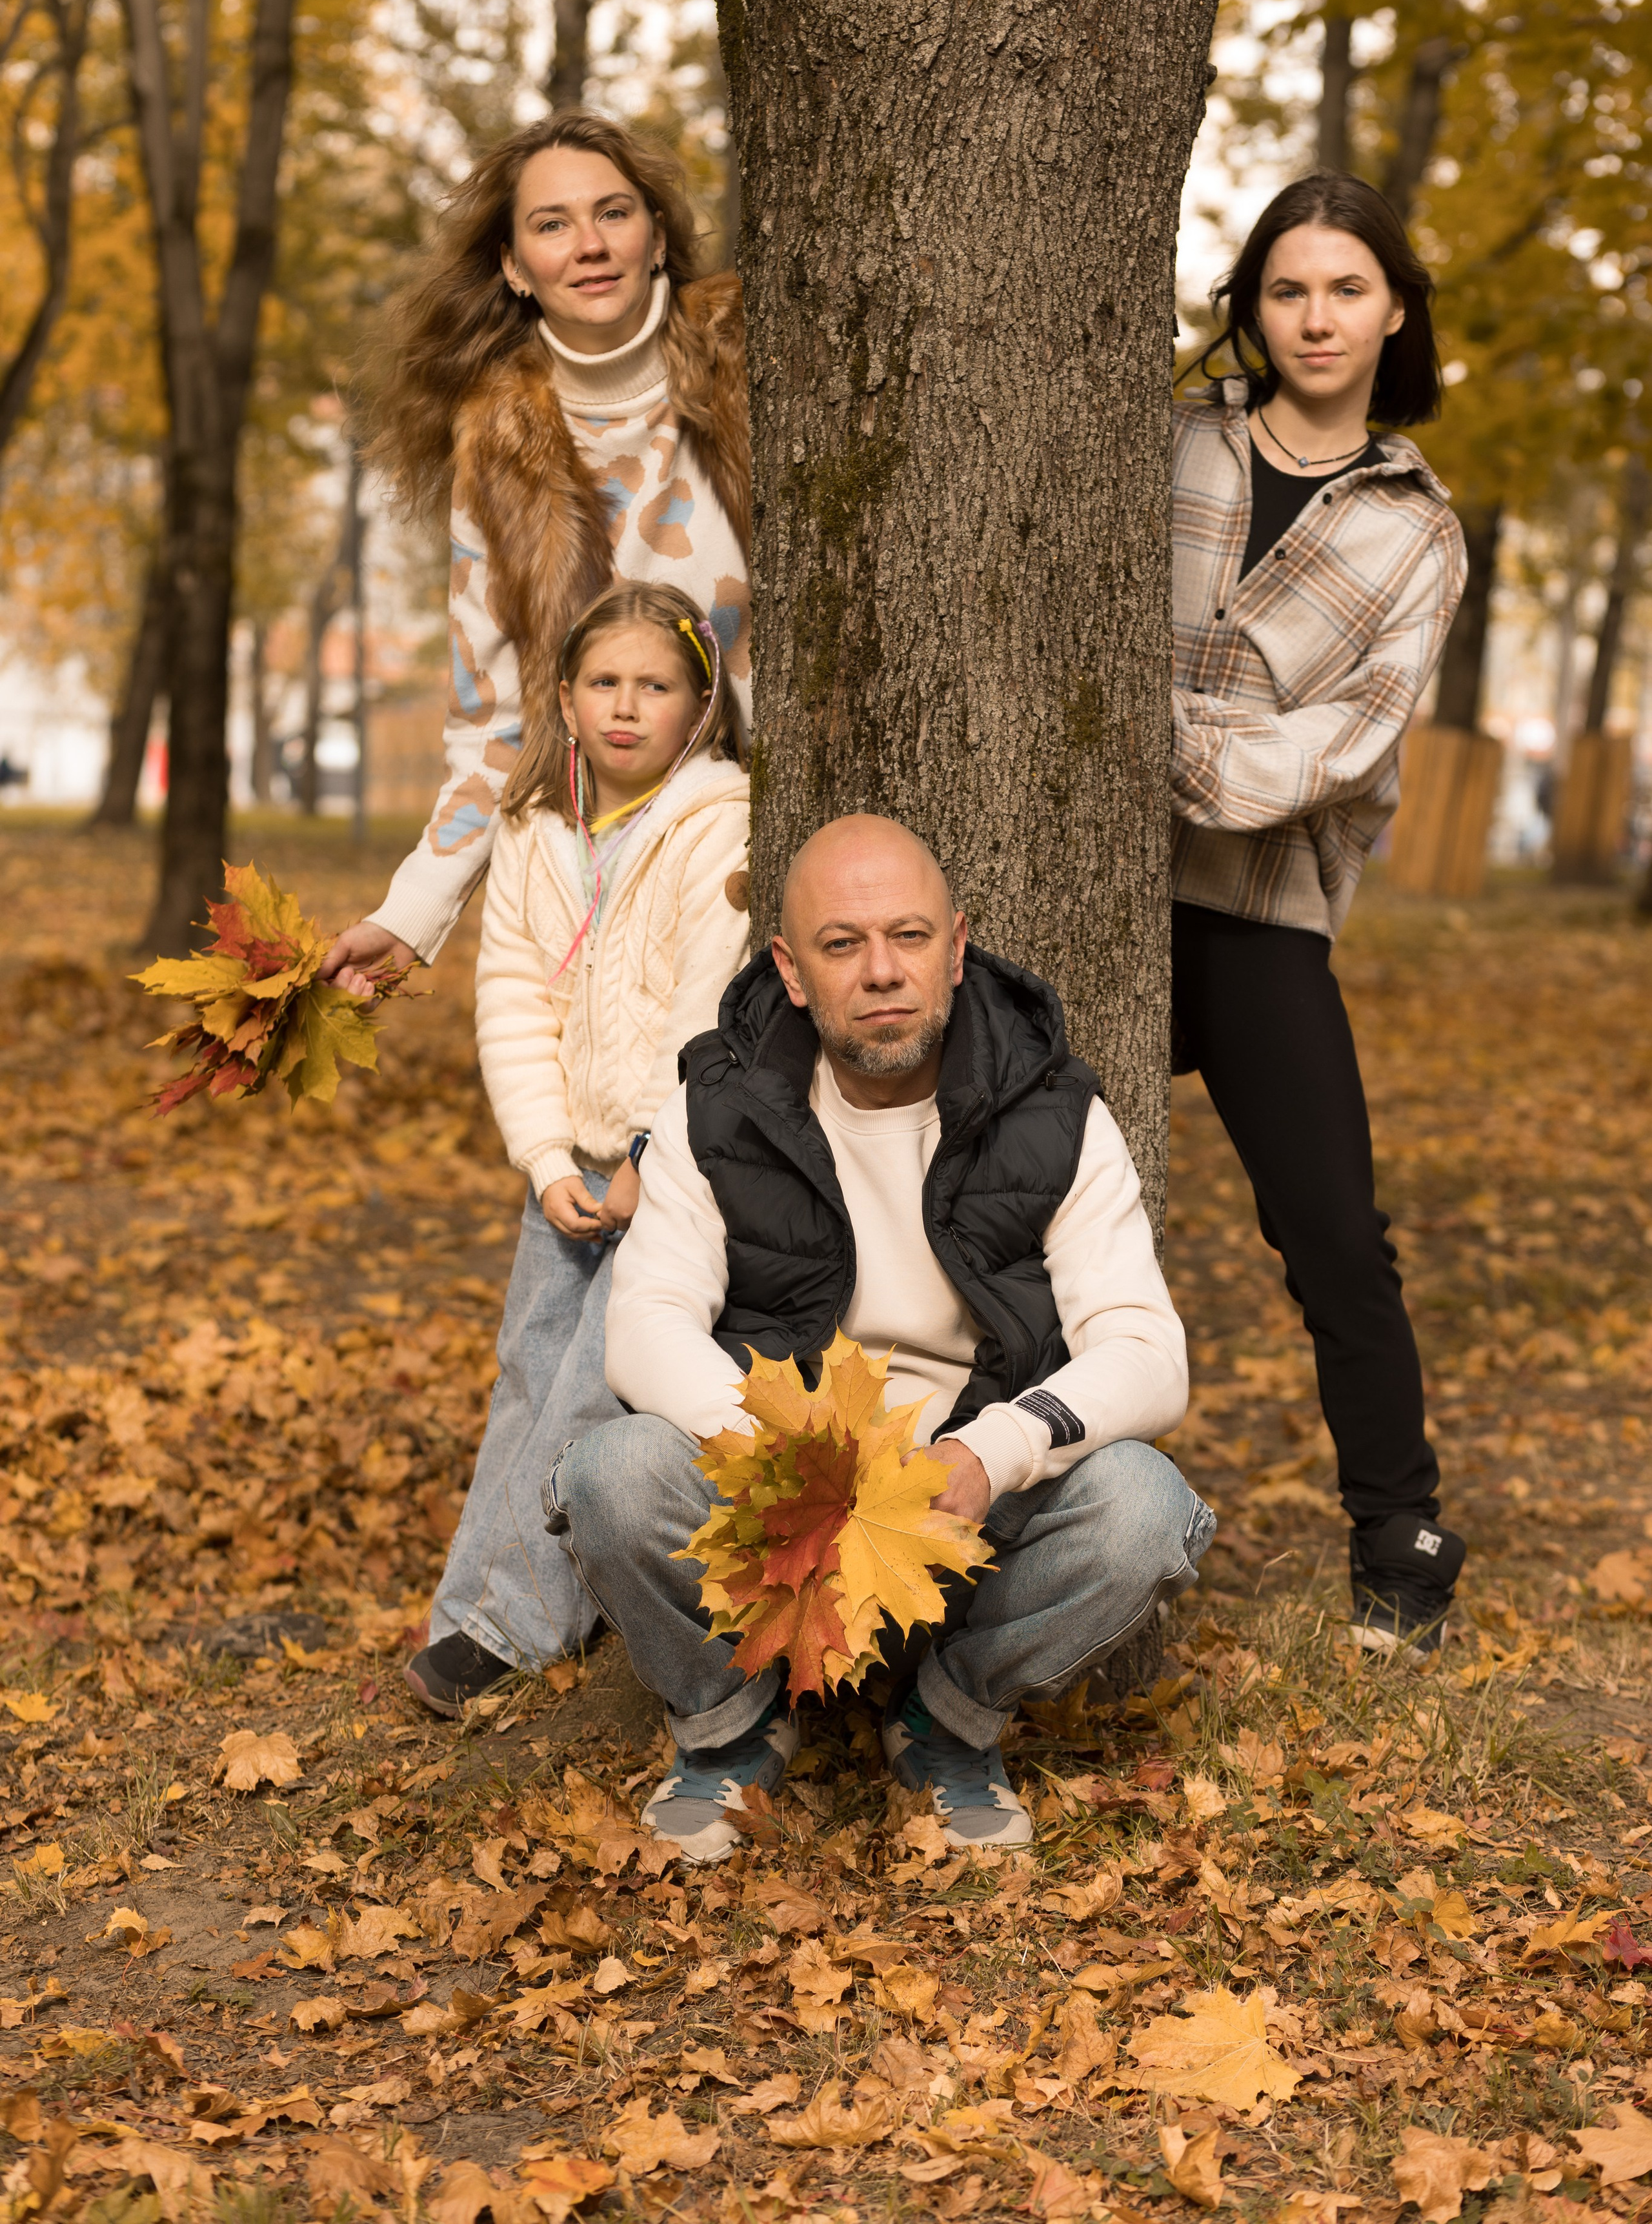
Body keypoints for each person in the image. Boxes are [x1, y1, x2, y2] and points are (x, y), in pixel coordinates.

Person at [545, 816, 1213, 1864]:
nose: (883, 972)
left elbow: (1146, 1350)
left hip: (969, 1507)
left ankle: (945, 1723)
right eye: (843, 944)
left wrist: (991, 1453)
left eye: (908, 937)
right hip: (784, 1510)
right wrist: (791, 1459)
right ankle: (732, 1727)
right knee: (611, 1473)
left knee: (1145, 1512)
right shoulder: (714, 1109)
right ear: (792, 971)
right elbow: (643, 1328)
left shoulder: (1057, 1112)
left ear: (956, 947)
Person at [1172, 170, 1469, 1657]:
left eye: (1345, 289)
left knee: (1333, 1232)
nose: (1313, 317)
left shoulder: (1417, 531)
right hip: (1087, 889)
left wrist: (1151, 745)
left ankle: (1399, 1536)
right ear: (1250, 306)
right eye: (1286, 289)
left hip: (1255, 907)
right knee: (1006, 1189)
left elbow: (1345, 744)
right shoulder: (1168, 445)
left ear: (1391, 310)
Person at [405, 582, 750, 1713]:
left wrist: (653, 1152)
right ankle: (471, 1604)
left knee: (595, 1392)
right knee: (527, 1376)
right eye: (603, 683)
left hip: (674, 1167)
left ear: (700, 706)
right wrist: (548, 1161)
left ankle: (513, 1627)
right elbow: (512, 1000)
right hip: (569, 1169)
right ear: (564, 696)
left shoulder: (722, 820)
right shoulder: (536, 830)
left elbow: (709, 1003)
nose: (625, 708)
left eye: (655, 687)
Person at [320, 108, 751, 993]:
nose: (588, 244)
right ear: (516, 267)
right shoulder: (498, 448)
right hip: (619, 884)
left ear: (658, 237)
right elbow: (492, 730)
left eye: (614, 213)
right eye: (552, 225)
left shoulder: (756, 357)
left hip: (790, 852)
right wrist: (410, 913)